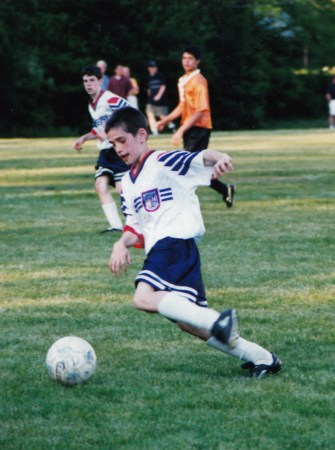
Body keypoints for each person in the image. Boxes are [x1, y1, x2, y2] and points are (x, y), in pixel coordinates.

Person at [107, 107, 281, 379]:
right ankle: (263, 358)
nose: (118, 148)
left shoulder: (163, 161)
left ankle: (218, 320)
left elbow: (200, 157)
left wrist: (220, 157)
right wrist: (121, 244)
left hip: (173, 244)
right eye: (113, 143)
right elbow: (135, 227)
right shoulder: (127, 183)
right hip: (169, 250)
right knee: (188, 324)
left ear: (141, 135)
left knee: (143, 298)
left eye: (122, 140)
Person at [156, 46, 235, 208]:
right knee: (196, 167)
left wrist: (180, 130)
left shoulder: (199, 81)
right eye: (184, 58)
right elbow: (183, 106)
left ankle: (181, 201)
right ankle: (225, 189)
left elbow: (200, 110)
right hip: (190, 127)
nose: (186, 61)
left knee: (187, 165)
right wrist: (166, 120)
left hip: (199, 127)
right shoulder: (183, 80)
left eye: (190, 58)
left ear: (197, 61)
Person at [73, 64, 131, 233]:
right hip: (105, 152)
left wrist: (115, 135)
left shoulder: (110, 99)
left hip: (118, 150)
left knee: (122, 189)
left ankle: (135, 224)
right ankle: (116, 226)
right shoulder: (91, 104)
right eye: (85, 81)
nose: (88, 84)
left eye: (92, 80)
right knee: (100, 185)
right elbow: (99, 129)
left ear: (100, 81)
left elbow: (131, 113)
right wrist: (84, 138)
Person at [145, 60, 174, 136]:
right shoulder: (148, 77)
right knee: (149, 113)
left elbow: (163, 86)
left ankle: (172, 126)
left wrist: (158, 96)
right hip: (151, 100)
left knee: (162, 116)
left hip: (161, 99)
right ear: (149, 68)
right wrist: (150, 95)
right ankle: (154, 130)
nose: (153, 68)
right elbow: (148, 88)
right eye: (152, 67)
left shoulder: (160, 75)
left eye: (154, 67)